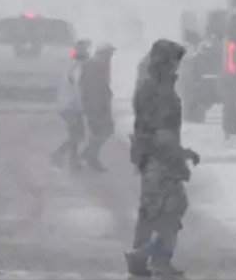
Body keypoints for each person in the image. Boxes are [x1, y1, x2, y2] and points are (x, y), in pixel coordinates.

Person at [125, 39, 200, 279]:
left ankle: (145, 257)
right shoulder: (158, 90)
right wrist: (178, 157)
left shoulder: (154, 86)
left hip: (153, 155)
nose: (177, 67)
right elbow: (160, 131)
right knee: (171, 209)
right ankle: (151, 257)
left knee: (153, 210)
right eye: (174, 62)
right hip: (160, 158)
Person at [51, 41, 89, 170]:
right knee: (79, 135)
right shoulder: (79, 69)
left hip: (66, 104)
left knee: (74, 134)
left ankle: (73, 162)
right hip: (72, 106)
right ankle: (59, 153)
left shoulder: (72, 67)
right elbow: (79, 88)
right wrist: (83, 105)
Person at [80, 43, 116, 172]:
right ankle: (90, 155)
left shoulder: (96, 64)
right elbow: (92, 87)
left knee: (100, 131)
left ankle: (91, 156)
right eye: (109, 54)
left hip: (98, 103)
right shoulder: (95, 65)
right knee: (105, 130)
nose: (111, 57)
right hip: (96, 105)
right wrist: (96, 105)